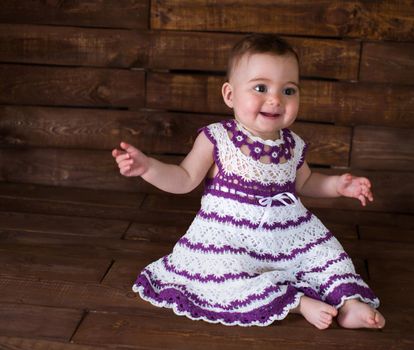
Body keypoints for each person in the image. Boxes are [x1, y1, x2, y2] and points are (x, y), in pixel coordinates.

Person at [112, 33, 385, 330]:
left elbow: (305, 183)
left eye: (289, 90)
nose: (275, 99)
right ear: (230, 95)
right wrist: (148, 167)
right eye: (260, 87)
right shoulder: (218, 138)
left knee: (328, 255)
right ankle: (296, 303)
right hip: (230, 238)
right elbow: (184, 179)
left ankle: (349, 304)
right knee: (222, 277)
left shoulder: (292, 144)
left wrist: (337, 186)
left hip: (288, 234)